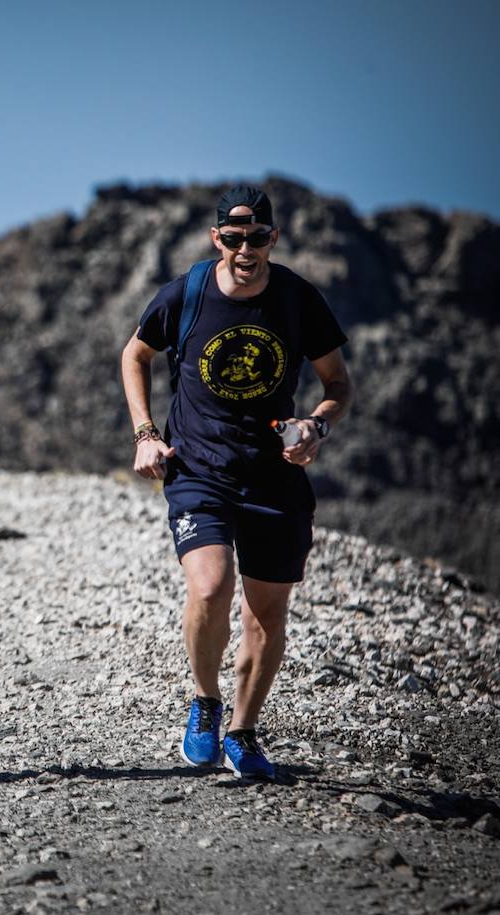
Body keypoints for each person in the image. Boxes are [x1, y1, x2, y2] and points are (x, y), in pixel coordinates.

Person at [120, 186, 353, 780]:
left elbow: (338, 386)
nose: (245, 249)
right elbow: (135, 355)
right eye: (233, 238)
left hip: (274, 478)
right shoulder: (188, 293)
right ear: (215, 238)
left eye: (257, 238)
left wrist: (313, 427)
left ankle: (243, 732)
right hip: (198, 469)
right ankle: (205, 702)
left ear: (273, 239)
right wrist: (146, 433)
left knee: (265, 615)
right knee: (210, 587)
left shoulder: (298, 300)